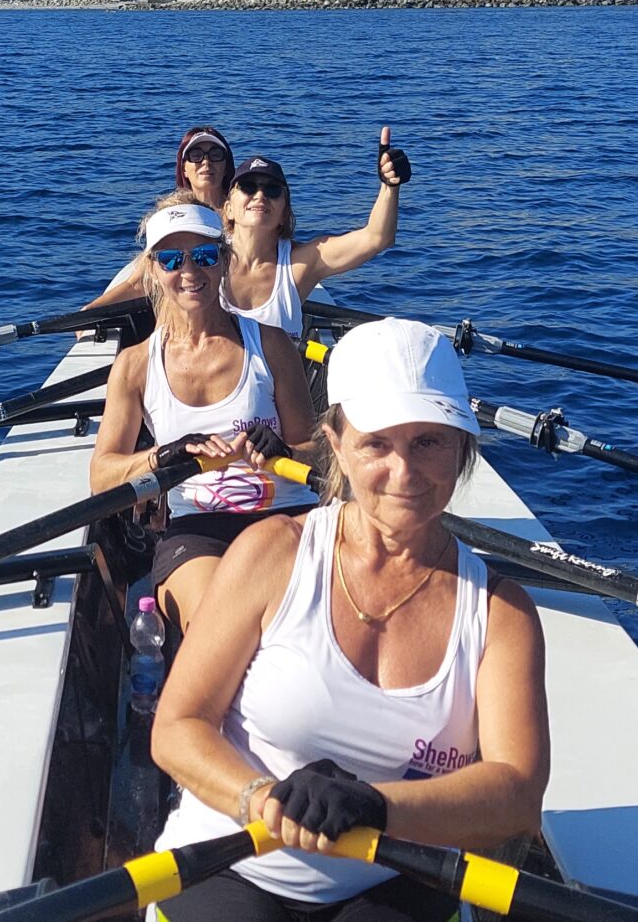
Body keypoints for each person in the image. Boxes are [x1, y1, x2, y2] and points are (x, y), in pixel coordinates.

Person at [149, 318, 549, 921]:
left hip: (397, 873)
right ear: (335, 446)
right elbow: (177, 727)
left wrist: (373, 807)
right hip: (230, 858)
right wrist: (260, 799)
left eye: (428, 442)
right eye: (377, 444)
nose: (405, 472)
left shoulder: (502, 612)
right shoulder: (270, 553)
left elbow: (516, 794)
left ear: (463, 447)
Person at [90, 194, 320, 631]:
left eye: (205, 256)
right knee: (219, 627)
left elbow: (318, 454)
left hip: (288, 513)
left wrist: (287, 449)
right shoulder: (135, 365)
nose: (190, 272)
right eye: (172, 259)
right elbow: (102, 476)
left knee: (301, 622)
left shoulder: (271, 344)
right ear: (153, 270)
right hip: (197, 527)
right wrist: (160, 457)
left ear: (225, 260)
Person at [221, 127, 411, 342]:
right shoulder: (205, 260)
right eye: (248, 187)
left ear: (284, 213)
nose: (260, 196)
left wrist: (389, 186)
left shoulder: (301, 263)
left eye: (272, 189)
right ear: (228, 208)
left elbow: (376, 238)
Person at [86, 127, 236, 310]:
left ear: (226, 165)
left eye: (216, 154)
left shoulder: (241, 212)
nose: (206, 162)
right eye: (196, 155)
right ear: (184, 169)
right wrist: (91, 311)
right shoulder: (171, 216)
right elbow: (137, 283)